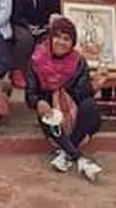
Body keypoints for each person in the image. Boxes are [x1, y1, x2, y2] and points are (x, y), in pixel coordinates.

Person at [25, 17, 104, 182]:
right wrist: (38, 102)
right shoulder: (37, 60)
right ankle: (81, 160)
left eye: (67, 39)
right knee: (51, 117)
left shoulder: (78, 62)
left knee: (90, 106)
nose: (61, 42)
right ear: (51, 37)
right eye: (58, 37)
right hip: (50, 113)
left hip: (74, 114)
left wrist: (94, 86)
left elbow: (81, 94)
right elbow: (30, 93)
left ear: (73, 42)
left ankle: (66, 153)